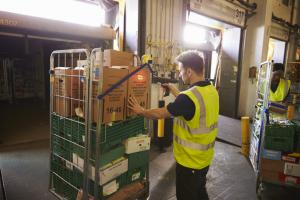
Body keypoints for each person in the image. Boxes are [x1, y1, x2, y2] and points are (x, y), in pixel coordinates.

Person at [128, 50, 219, 200]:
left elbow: (161, 114)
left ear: (189, 71)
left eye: (181, 70)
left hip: (189, 163)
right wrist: (173, 89)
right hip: (204, 159)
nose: (180, 74)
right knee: (200, 192)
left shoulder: (188, 99)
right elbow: (190, 105)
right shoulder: (210, 90)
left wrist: (141, 111)